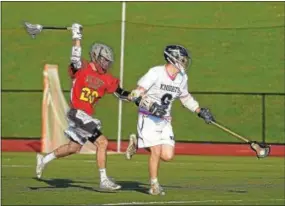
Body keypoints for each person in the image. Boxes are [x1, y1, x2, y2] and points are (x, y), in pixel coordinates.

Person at [36, 23, 166, 190]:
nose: (106, 64)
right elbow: (74, 60)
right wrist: (77, 38)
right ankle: (103, 180)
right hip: (77, 113)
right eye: (104, 60)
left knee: (73, 147)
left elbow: (120, 93)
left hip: (86, 116)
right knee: (102, 142)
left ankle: (43, 159)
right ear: (96, 56)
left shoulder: (107, 79)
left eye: (108, 61)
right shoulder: (82, 67)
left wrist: (136, 97)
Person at [125, 44, 215, 195]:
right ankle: (154, 185)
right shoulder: (156, 72)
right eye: (182, 59)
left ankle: (137, 143)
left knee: (167, 155)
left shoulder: (182, 78)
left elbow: (185, 98)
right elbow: (136, 93)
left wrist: (199, 110)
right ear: (172, 58)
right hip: (148, 117)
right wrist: (148, 104)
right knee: (156, 150)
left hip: (165, 119)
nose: (184, 62)